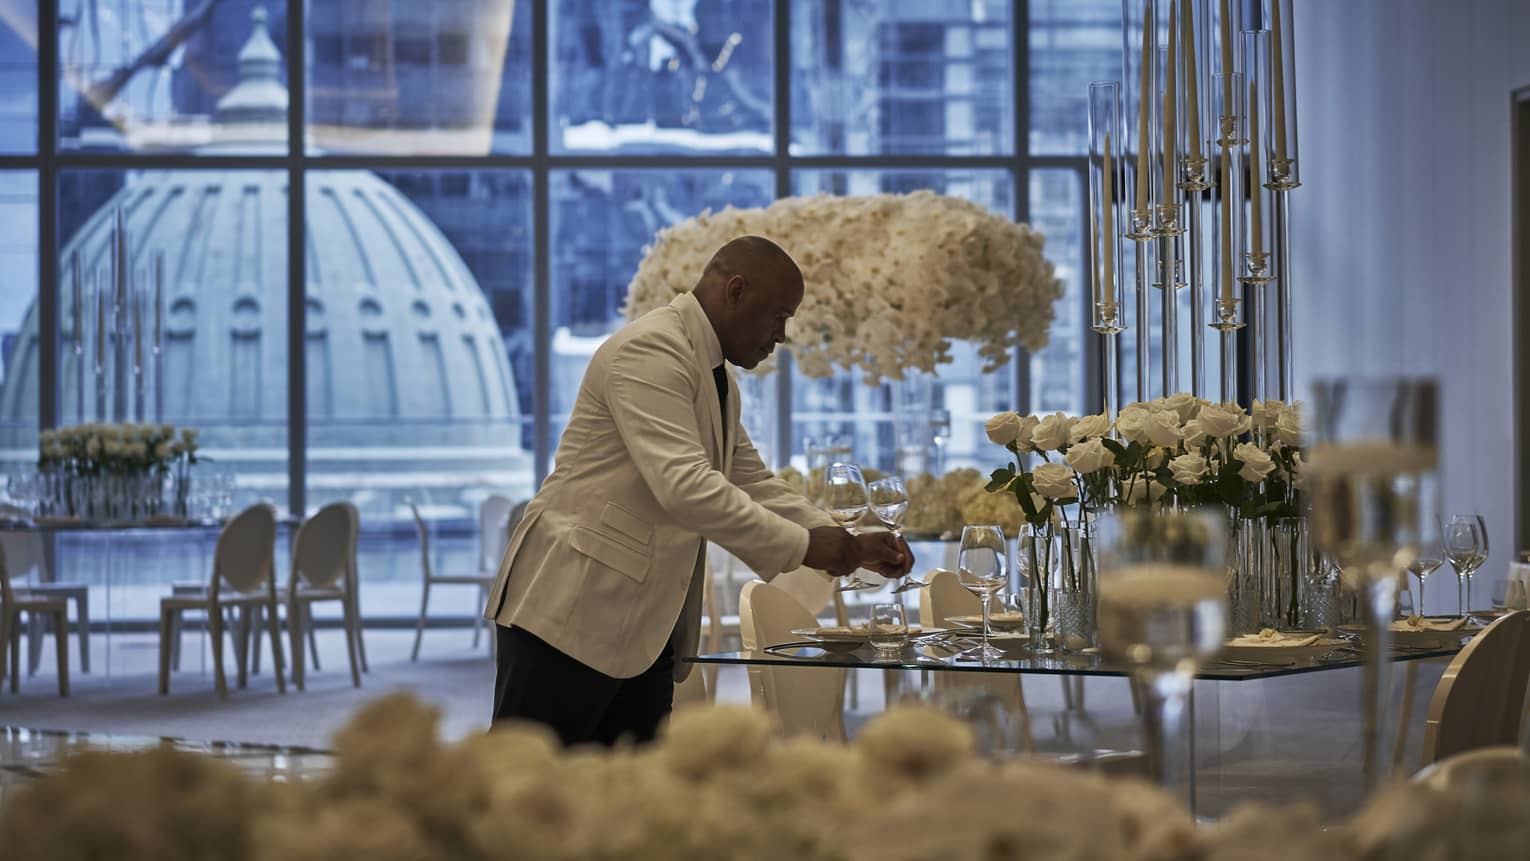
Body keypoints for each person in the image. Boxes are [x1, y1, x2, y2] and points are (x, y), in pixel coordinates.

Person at [484, 235, 913, 746]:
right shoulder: (651, 350)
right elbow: (685, 486)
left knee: (629, 806)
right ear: (735, 290)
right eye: (779, 315)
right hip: (569, 611)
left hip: (641, 628)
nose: (781, 335)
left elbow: (750, 479)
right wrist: (807, 546)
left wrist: (842, 537)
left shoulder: (714, 373)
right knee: (525, 800)